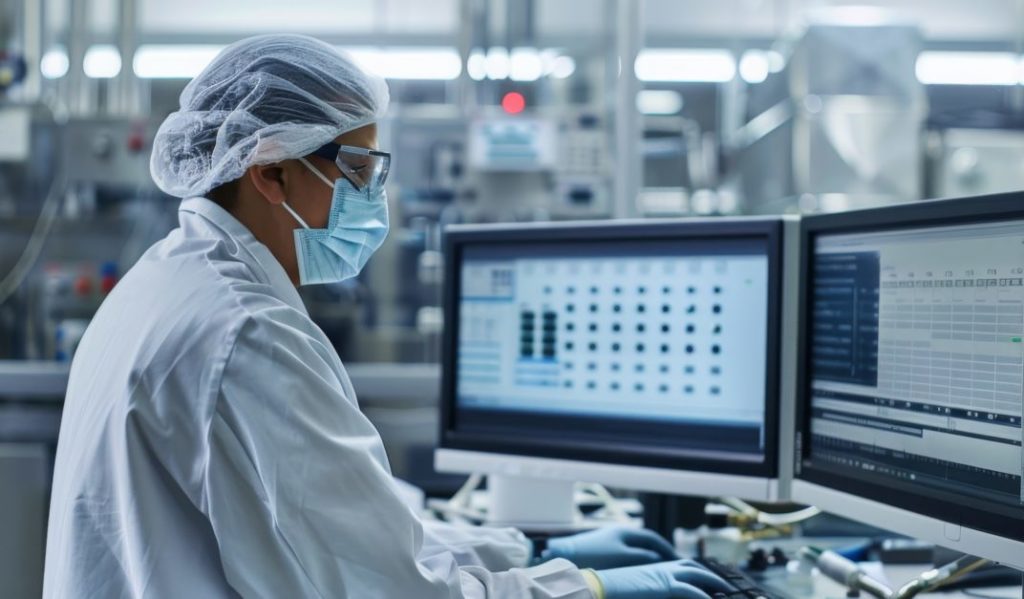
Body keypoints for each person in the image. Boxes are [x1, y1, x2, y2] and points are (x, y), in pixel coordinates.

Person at [43, 34, 730, 599]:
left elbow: (358, 534)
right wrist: (587, 588)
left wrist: (530, 549)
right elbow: (395, 586)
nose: (373, 197)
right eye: (358, 169)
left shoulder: (170, 277)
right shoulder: (247, 332)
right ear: (269, 171)